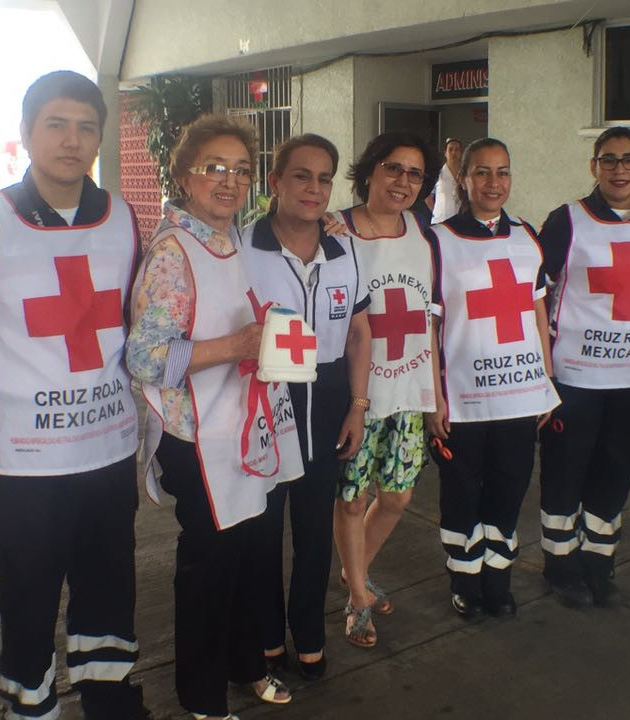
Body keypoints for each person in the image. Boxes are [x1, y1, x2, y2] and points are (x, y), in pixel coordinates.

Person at [0, 71, 148, 719]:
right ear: (27, 134)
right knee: (24, 590)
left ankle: (109, 696)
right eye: (56, 124)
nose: (71, 140)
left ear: (100, 138)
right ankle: (32, 701)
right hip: (23, 460)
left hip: (107, 449)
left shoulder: (122, 216)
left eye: (86, 127)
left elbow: (138, 320)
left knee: (110, 583)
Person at [128, 113, 302, 720]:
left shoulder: (228, 240)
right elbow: (145, 359)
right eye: (214, 168)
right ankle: (201, 696)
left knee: (248, 553)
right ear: (184, 177)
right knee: (209, 567)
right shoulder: (175, 252)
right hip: (195, 436)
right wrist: (236, 347)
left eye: (241, 170)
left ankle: (245, 663)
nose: (229, 181)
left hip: (241, 425)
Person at [536, 127, 630, 608]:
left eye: (629, 160)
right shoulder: (567, 221)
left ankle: (599, 561)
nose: (619, 169)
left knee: (616, 472)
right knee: (565, 471)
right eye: (608, 160)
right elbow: (536, 294)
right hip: (575, 378)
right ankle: (560, 565)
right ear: (593, 166)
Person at [240, 134, 371, 680]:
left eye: (324, 179)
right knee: (264, 532)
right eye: (301, 176)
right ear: (275, 183)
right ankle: (268, 636)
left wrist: (358, 406)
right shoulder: (242, 249)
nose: (314, 189)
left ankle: (310, 632)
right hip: (269, 403)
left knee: (316, 531)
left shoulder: (347, 249)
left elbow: (361, 332)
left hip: (330, 402)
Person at [426, 138, 559, 619]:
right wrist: (433, 397)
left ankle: (497, 579)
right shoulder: (439, 240)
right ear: (462, 178)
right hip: (462, 398)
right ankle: (465, 579)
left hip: (520, 396)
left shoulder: (527, 236)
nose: (493, 183)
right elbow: (432, 323)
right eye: (482, 172)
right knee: (462, 492)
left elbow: (537, 307)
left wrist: (547, 380)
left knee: (508, 489)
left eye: (502, 172)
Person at [333, 131, 441, 648]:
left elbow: (428, 320)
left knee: (397, 497)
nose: (403, 181)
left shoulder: (423, 232)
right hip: (359, 393)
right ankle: (358, 597)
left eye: (415, 173)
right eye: (393, 168)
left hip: (409, 388)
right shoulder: (337, 230)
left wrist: (436, 396)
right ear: (370, 170)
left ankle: (355, 573)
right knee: (352, 500)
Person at [429, 137, 463, 225]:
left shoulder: (466, 174)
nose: (454, 153)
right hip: (441, 220)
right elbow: (428, 197)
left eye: (457, 150)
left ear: (461, 153)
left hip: (462, 220)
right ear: (445, 153)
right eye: (450, 149)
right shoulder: (437, 173)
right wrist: (437, 212)